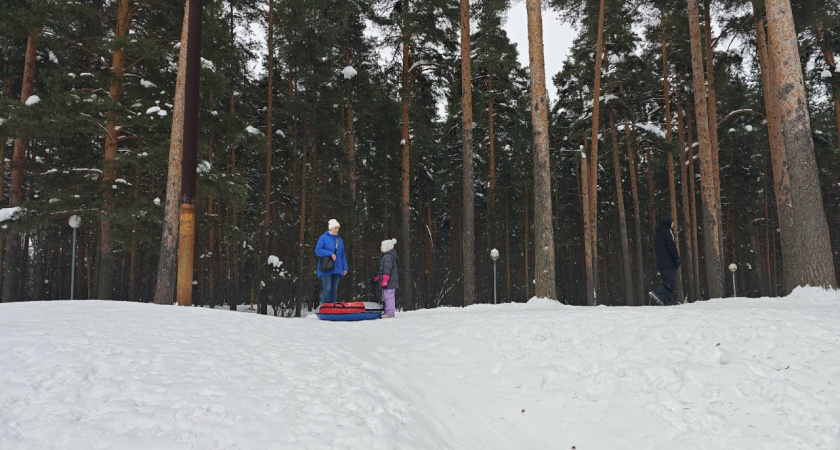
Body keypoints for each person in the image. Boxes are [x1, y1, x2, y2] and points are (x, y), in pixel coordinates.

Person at [315, 219, 348, 304]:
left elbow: (342, 254)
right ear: (330, 228)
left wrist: (345, 267)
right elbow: (318, 250)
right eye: (335, 228)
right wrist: (330, 253)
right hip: (327, 267)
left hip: (337, 267)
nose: (337, 230)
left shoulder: (339, 240)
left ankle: (333, 308)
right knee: (327, 288)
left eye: (338, 228)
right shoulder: (323, 237)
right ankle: (323, 307)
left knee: (334, 289)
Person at [649, 216, 681, 306]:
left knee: (670, 281)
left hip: (661, 263)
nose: (673, 224)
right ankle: (656, 293)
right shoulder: (667, 232)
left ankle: (671, 301)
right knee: (670, 281)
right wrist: (676, 258)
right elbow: (671, 246)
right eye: (672, 222)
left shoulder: (658, 234)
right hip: (669, 262)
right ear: (668, 223)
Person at [374, 238, 398, 318]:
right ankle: (387, 311)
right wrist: (379, 277)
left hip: (389, 282)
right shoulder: (386, 256)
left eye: (382, 245)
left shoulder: (387, 257)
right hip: (387, 281)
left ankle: (390, 312)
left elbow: (387, 270)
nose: (380, 247)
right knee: (385, 296)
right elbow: (383, 270)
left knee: (389, 296)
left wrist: (385, 280)